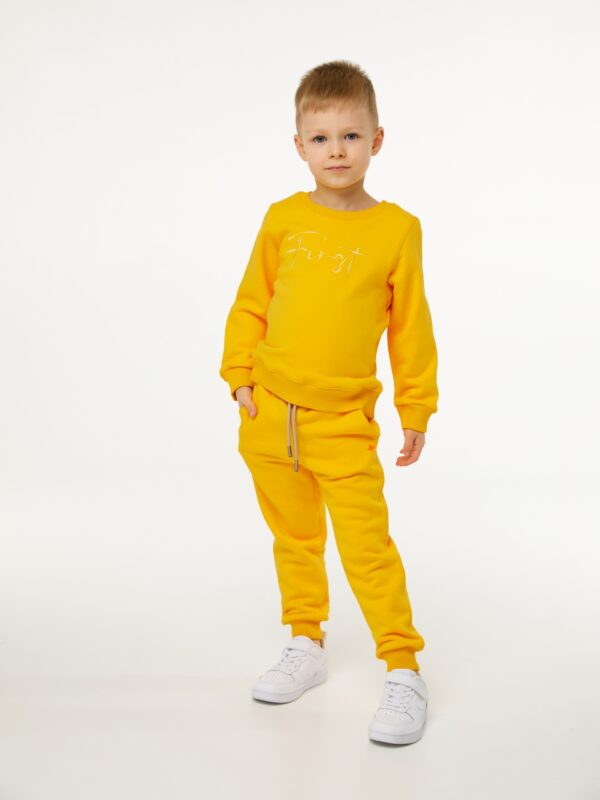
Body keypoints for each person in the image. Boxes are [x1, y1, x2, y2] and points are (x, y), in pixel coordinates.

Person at [218, 59, 439, 745]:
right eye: (320, 138)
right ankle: (305, 640)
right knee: (294, 539)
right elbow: (251, 303)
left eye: (350, 136)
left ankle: (403, 668)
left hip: (343, 422)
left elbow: (410, 329)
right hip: (268, 416)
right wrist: (239, 376)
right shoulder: (282, 218)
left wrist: (415, 408)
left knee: (367, 548)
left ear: (377, 140)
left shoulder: (396, 230)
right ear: (299, 146)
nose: (335, 151)